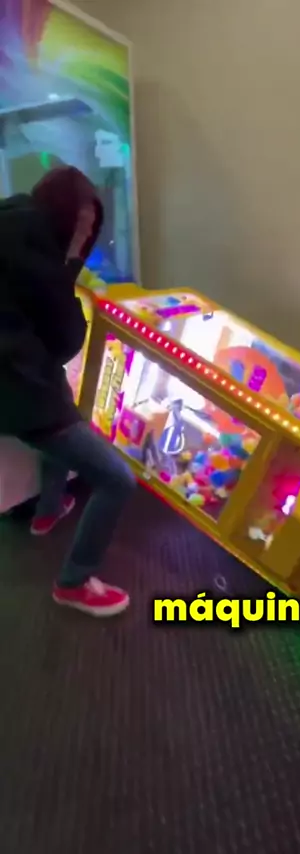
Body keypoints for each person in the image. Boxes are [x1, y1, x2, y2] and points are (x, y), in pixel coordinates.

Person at [0, 166, 136, 617]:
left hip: (20, 382)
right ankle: (74, 583)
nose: (85, 233)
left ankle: (48, 510)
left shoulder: (12, 222)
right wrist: (73, 261)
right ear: (61, 212)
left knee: (64, 414)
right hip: (18, 390)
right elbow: (67, 337)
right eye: (81, 223)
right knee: (116, 479)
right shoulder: (36, 253)